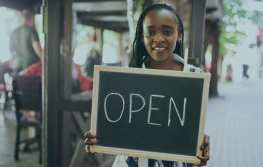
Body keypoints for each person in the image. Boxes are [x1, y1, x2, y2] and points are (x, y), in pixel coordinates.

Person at [85, 3, 210, 167]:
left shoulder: (195, 78)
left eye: (167, 32)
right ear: (142, 36)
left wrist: (201, 150)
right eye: (150, 32)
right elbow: (114, 128)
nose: (158, 38)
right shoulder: (125, 78)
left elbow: (192, 133)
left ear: (179, 34)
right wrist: (98, 139)